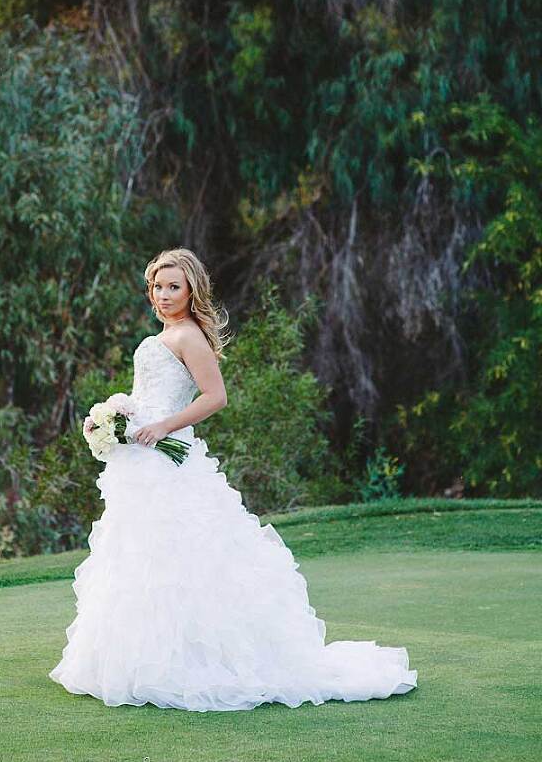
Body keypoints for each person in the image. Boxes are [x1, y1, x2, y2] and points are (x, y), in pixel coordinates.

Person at [48, 247, 418, 711]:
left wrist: (164, 426)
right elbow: (148, 396)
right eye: (158, 287)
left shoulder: (189, 336)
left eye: (174, 287)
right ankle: (145, 659)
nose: (164, 295)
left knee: (182, 555)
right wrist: (114, 419)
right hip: (140, 462)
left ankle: (197, 665)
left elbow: (215, 396)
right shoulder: (163, 336)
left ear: (191, 291)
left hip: (166, 460)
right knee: (141, 557)